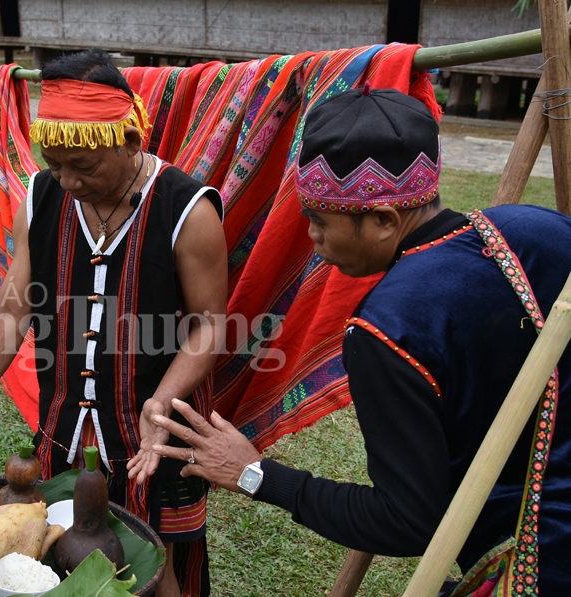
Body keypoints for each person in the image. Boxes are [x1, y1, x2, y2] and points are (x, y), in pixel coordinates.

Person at [143, 84, 571, 594]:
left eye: (320, 221)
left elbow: (406, 520)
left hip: (539, 561)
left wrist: (254, 473)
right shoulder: (540, 228)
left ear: (385, 220)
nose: (312, 239)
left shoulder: (385, 330)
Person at [0, 48, 228, 597]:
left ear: (131, 139)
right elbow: (11, 309)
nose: (68, 181)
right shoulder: (41, 197)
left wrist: (162, 399)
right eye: (56, 165)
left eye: (85, 166)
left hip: (152, 440)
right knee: (58, 562)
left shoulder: (187, 210)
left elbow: (211, 326)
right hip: (64, 434)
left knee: (157, 571)